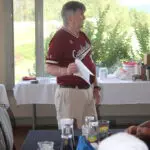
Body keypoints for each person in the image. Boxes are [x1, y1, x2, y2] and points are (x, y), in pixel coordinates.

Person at [46, 1, 100, 129]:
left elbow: (90, 64)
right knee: (71, 137)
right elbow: (49, 67)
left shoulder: (83, 36)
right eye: (81, 14)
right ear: (71, 18)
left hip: (88, 92)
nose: (84, 17)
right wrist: (66, 71)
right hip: (70, 94)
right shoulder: (59, 38)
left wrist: (96, 88)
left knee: (92, 134)